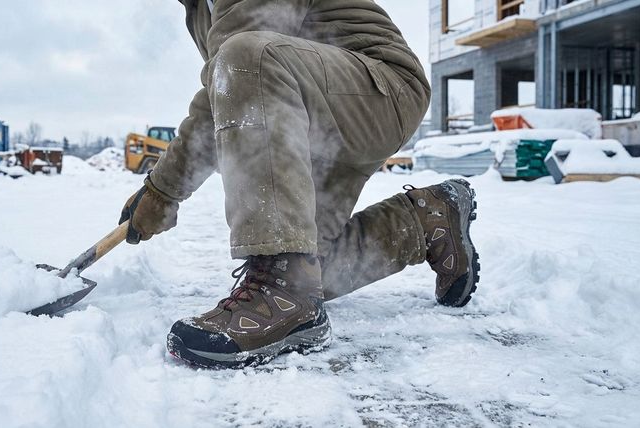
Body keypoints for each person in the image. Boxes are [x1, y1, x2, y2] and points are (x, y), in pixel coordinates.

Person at [118, 0, 479, 369]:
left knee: (244, 55)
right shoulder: (197, 8)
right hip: (313, 105)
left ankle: (283, 291)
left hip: (379, 87)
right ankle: (428, 221)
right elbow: (224, 96)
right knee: (309, 264)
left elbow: (238, 70)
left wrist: (162, 191)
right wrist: (160, 191)